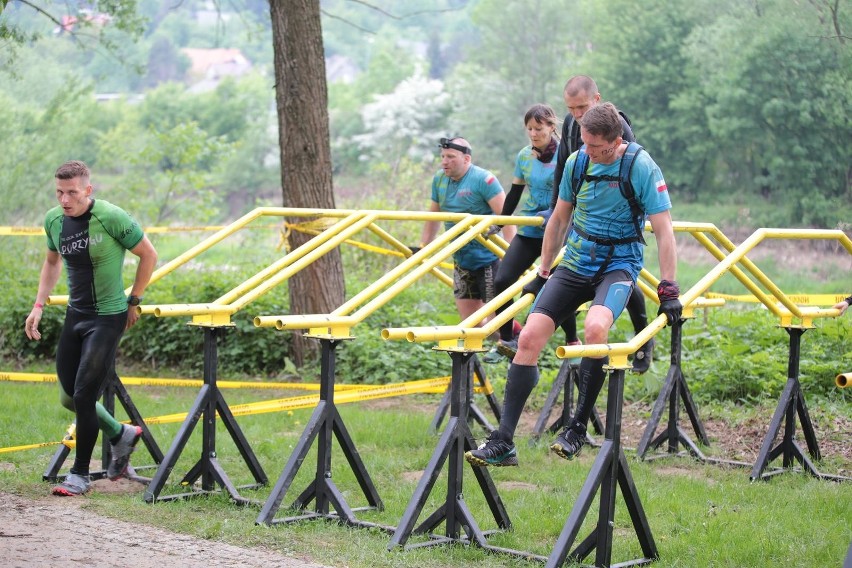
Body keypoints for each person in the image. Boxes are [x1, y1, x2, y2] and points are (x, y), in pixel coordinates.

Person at [465, 103, 681, 467]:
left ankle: (577, 428)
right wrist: (544, 269)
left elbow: (664, 229)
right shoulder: (578, 161)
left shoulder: (640, 166)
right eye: (584, 144)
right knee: (530, 335)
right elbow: (559, 218)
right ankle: (504, 441)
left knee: (596, 328)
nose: (588, 153)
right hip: (577, 261)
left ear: (614, 142)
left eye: (596, 147)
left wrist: (669, 288)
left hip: (619, 264)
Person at [25, 160, 158, 496]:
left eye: (72, 192)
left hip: (108, 317)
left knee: (84, 395)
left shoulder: (111, 217)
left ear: (88, 189)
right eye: (59, 192)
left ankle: (79, 475)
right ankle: (121, 433)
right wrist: (38, 305)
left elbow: (149, 255)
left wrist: (134, 299)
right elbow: (52, 262)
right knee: (69, 397)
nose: (65, 199)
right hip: (76, 315)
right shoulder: (53, 220)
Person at [548, 75, 656, 374]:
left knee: (619, 272)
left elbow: (634, 169)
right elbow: (563, 166)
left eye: (581, 106)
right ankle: (571, 336)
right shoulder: (573, 124)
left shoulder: (617, 126)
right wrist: (557, 209)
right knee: (565, 268)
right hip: (583, 211)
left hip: (618, 219)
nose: (577, 114)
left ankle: (644, 336)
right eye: (571, 108)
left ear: (597, 99)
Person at [483, 104, 576, 363]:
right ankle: (506, 339)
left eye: (539, 128)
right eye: (530, 129)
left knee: (562, 286)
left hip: (556, 229)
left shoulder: (567, 155)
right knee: (503, 281)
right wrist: (500, 222)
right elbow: (514, 193)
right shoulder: (524, 156)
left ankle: (572, 339)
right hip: (531, 228)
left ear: (551, 127)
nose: (534, 134)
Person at [419, 137, 514, 332]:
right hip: (462, 260)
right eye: (443, 156)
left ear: (467, 159)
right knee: (470, 325)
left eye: (451, 157)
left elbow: (508, 219)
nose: (445, 161)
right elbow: (433, 217)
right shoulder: (439, 179)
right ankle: (473, 361)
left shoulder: (484, 179)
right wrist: (423, 249)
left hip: (490, 259)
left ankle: (514, 340)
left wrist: (512, 258)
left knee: (497, 324)